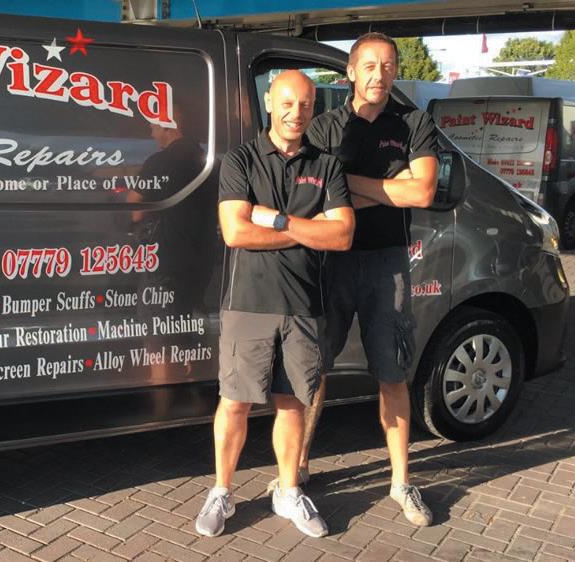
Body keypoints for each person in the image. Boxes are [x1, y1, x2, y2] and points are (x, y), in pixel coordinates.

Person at [195, 70, 354, 538]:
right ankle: (222, 491)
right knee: (235, 402)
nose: (295, 113)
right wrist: (309, 229)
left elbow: (342, 235)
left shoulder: (327, 166)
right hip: (248, 302)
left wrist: (279, 220)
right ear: (269, 102)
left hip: (304, 305)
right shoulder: (241, 160)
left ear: (313, 108)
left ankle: (288, 491)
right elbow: (235, 231)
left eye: (304, 104)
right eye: (286, 103)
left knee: (292, 404)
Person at [295, 32, 441, 527]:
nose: (380, 74)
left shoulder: (414, 123)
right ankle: (296, 470)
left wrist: (345, 186)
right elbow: (311, 199)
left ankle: (401, 482)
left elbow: (422, 193)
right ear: (351, 72)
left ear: (396, 71)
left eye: (388, 65)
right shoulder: (323, 127)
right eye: (370, 65)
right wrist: (389, 188)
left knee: (392, 372)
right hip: (330, 262)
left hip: (387, 264)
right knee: (313, 367)